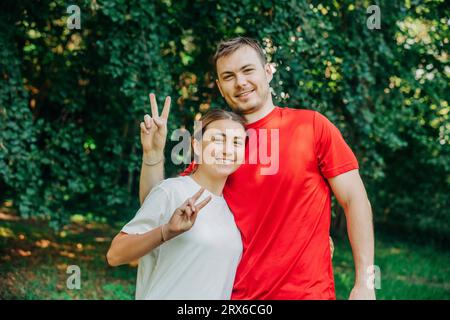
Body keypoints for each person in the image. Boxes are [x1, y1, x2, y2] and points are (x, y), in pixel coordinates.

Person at [138, 37, 375, 300]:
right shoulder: (217, 145)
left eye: (248, 70)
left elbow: (355, 200)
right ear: (219, 86)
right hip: (232, 296)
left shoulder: (312, 126)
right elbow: (156, 208)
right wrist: (153, 154)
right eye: (228, 76)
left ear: (268, 71)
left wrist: (364, 282)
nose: (240, 82)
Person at [107, 109, 247, 299]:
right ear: (197, 146)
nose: (227, 150)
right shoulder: (171, 191)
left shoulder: (231, 213)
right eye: (218, 139)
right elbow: (115, 254)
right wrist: (166, 232)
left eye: (236, 142)